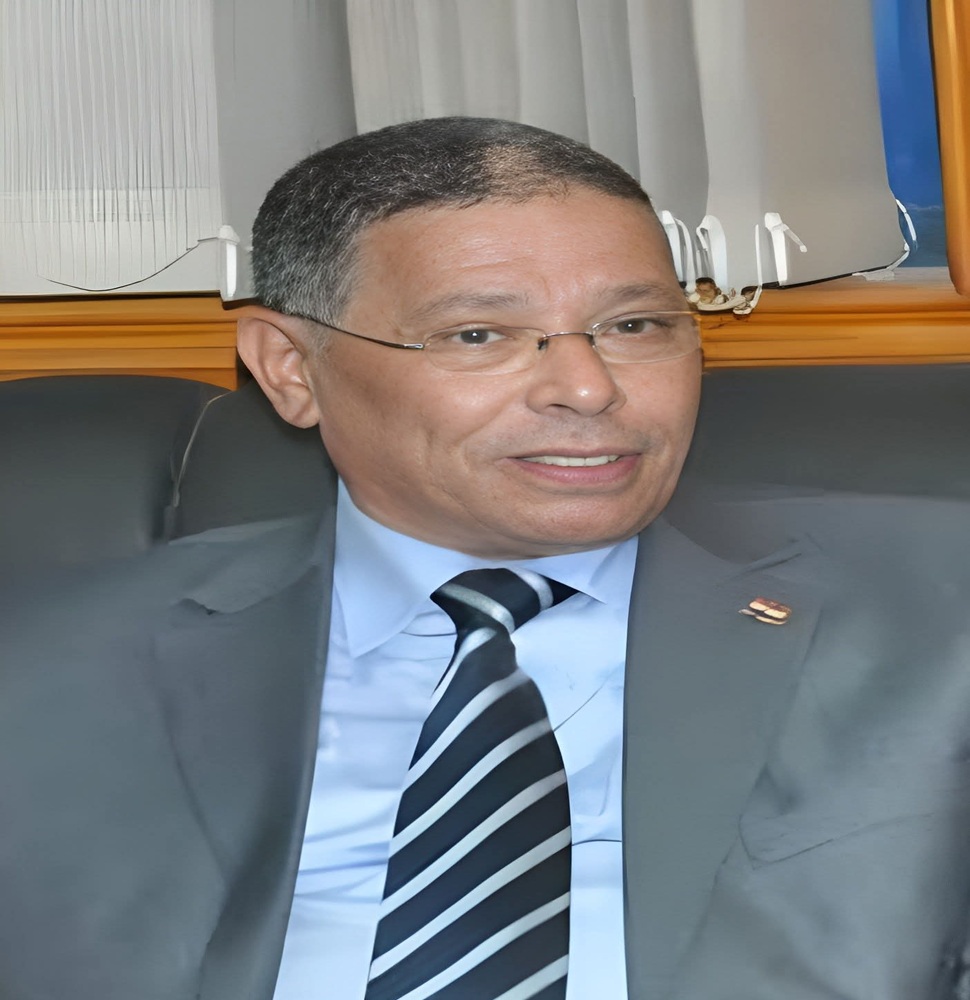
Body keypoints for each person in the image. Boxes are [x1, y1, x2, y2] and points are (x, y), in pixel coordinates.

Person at [3, 117, 970, 1000]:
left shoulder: (936, 604)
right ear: (292, 371)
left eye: (636, 326)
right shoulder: (52, 664)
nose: (588, 388)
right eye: (479, 335)